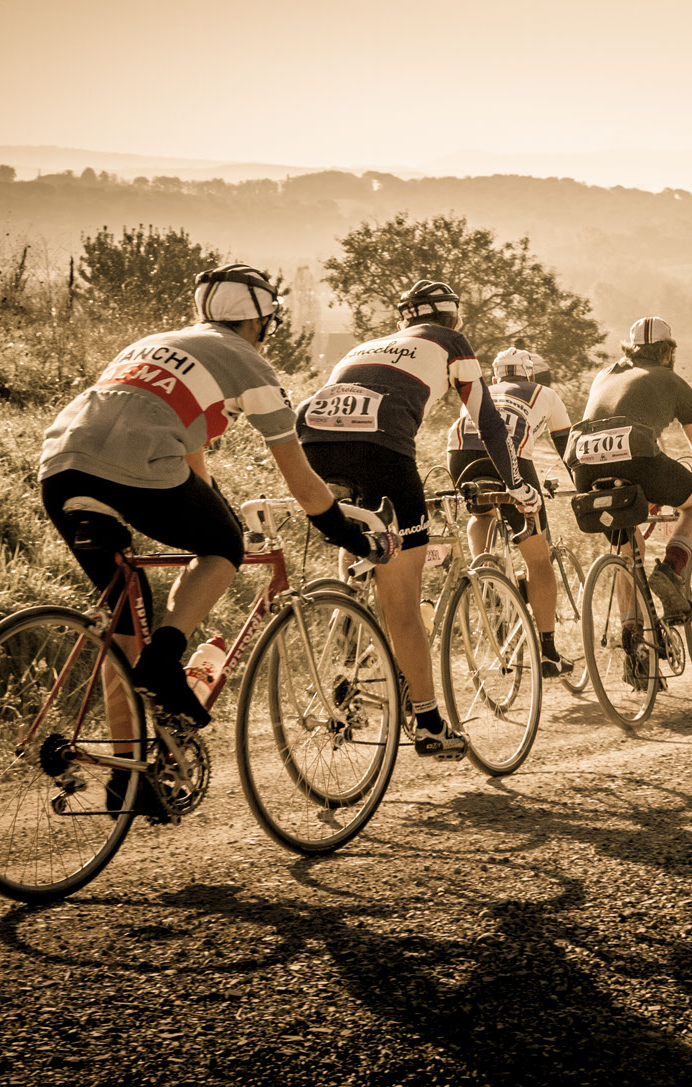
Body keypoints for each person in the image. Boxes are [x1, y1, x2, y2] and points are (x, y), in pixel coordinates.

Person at [40, 263, 387, 813]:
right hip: (136, 465)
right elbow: (300, 479)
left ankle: (129, 776)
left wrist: (213, 504)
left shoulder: (152, 343)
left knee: (124, 623)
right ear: (262, 322)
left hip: (60, 464)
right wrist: (338, 528)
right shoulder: (250, 364)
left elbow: (189, 457)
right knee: (223, 546)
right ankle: (168, 659)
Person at [297, 279, 539, 758]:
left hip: (310, 440)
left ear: (404, 318)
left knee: (364, 544)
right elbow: (487, 419)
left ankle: (345, 661)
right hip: (381, 446)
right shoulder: (450, 342)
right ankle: (428, 723)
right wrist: (516, 484)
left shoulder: (368, 345)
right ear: (453, 319)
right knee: (401, 597)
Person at [570, 316, 692, 640]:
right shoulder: (673, 382)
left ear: (630, 349)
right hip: (636, 456)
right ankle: (671, 571)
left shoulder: (604, 375)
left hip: (584, 463)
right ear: (668, 352)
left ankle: (633, 636)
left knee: (626, 546)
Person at [445, 345, 576, 679]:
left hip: (459, 453)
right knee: (538, 560)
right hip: (509, 454)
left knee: (483, 512)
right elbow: (568, 451)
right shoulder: (545, 392)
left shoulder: (483, 389)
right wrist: (584, 486)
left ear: (494, 376)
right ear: (530, 375)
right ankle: (547, 653)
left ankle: (486, 574)